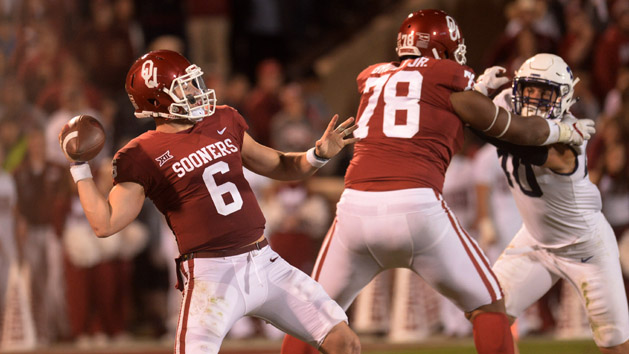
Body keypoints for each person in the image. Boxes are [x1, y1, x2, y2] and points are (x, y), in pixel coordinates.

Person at [280, 9, 595, 354]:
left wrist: (474, 89)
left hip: (354, 208)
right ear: (443, 49)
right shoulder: (449, 78)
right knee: (488, 305)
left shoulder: (374, 79)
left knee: (311, 314)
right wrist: (563, 129)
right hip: (416, 207)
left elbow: (416, 97)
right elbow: (517, 130)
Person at [61, 49, 361, 354]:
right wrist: (79, 168)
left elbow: (280, 165)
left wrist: (318, 155)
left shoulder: (223, 118)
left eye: (193, 82)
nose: (196, 90)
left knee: (344, 342)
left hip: (264, 261)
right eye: (183, 86)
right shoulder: (141, 153)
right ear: (157, 100)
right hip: (210, 275)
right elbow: (105, 223)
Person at [483, 53, 629, 353]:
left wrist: (480, 110)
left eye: (545, 92)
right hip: (535, 241)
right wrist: (477, 93)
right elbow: (466, 113)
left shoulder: (574, 134)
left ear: (564, 98)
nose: (535, 100)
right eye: (530, 90)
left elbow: (522, 142)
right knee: (486, 314)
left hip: (586, 247)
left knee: (614, 346)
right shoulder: (506, 105)